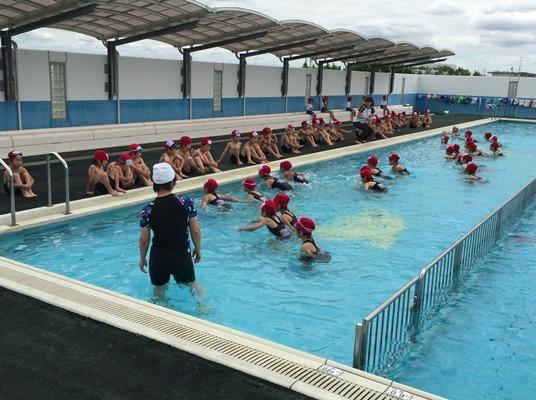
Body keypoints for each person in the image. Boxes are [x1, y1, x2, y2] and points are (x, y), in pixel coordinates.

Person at [139, 163, 202, 291]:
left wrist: (142, 258)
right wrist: (198, 249)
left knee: (159, 292)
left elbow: (144, 240)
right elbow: (195, 231)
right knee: (193, 288)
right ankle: (202, 304)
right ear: (173, 181)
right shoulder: (186, 202)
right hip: (181, 255)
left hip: (158, 258)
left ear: (155, 184)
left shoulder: (147, 209)